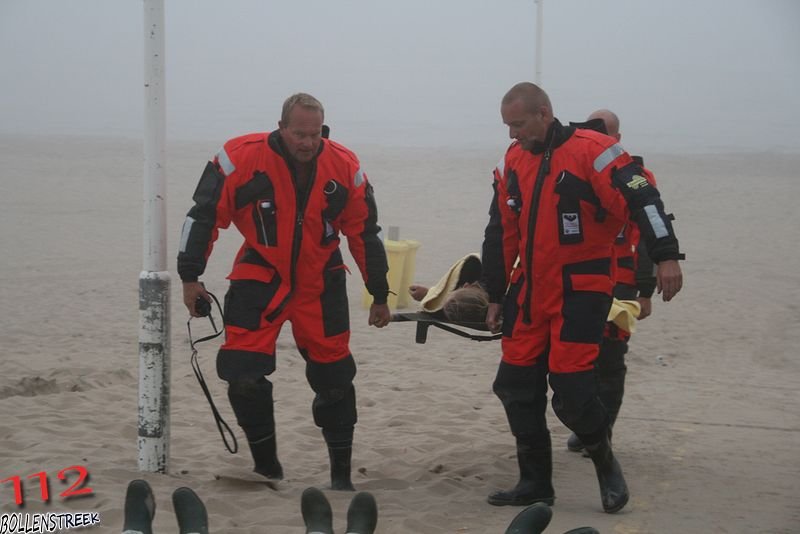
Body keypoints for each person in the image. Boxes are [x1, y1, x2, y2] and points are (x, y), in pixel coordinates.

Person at [481, 82, 684, 514]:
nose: (512, 135)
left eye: (518, 124)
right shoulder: (512, 162)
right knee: (514, 386)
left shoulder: (593, 150)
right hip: (530, 290)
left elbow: (644, 199)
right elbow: (501, 231)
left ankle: (606, 465)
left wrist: (666, 255)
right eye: (507, 126)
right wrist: (495, 294)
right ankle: (535, 484)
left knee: (571, 392)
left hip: (581, 289)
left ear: (544, 113)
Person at [177, 93, 391, 491]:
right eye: (299, 134)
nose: (308, 143)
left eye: (315, 135)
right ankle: (267, 467)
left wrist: (379, 293)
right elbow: (204, 216)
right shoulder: (240, 157)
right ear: (281, 127)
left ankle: (341, 478)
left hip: (321, 280)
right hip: (261, 275)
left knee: (335, 379)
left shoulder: (344, 166)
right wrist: (191, 277)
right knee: (242, 375)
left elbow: (364, 232)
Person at [564, 109, 660, 454]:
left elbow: (648, 234)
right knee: (579, 358)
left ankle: (601, 433)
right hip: (582, 277)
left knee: (609, 359)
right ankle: (587, 427)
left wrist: (645, 291)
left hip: (621, 282)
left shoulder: (636, 176)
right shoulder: (575, 166)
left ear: (617, 140)